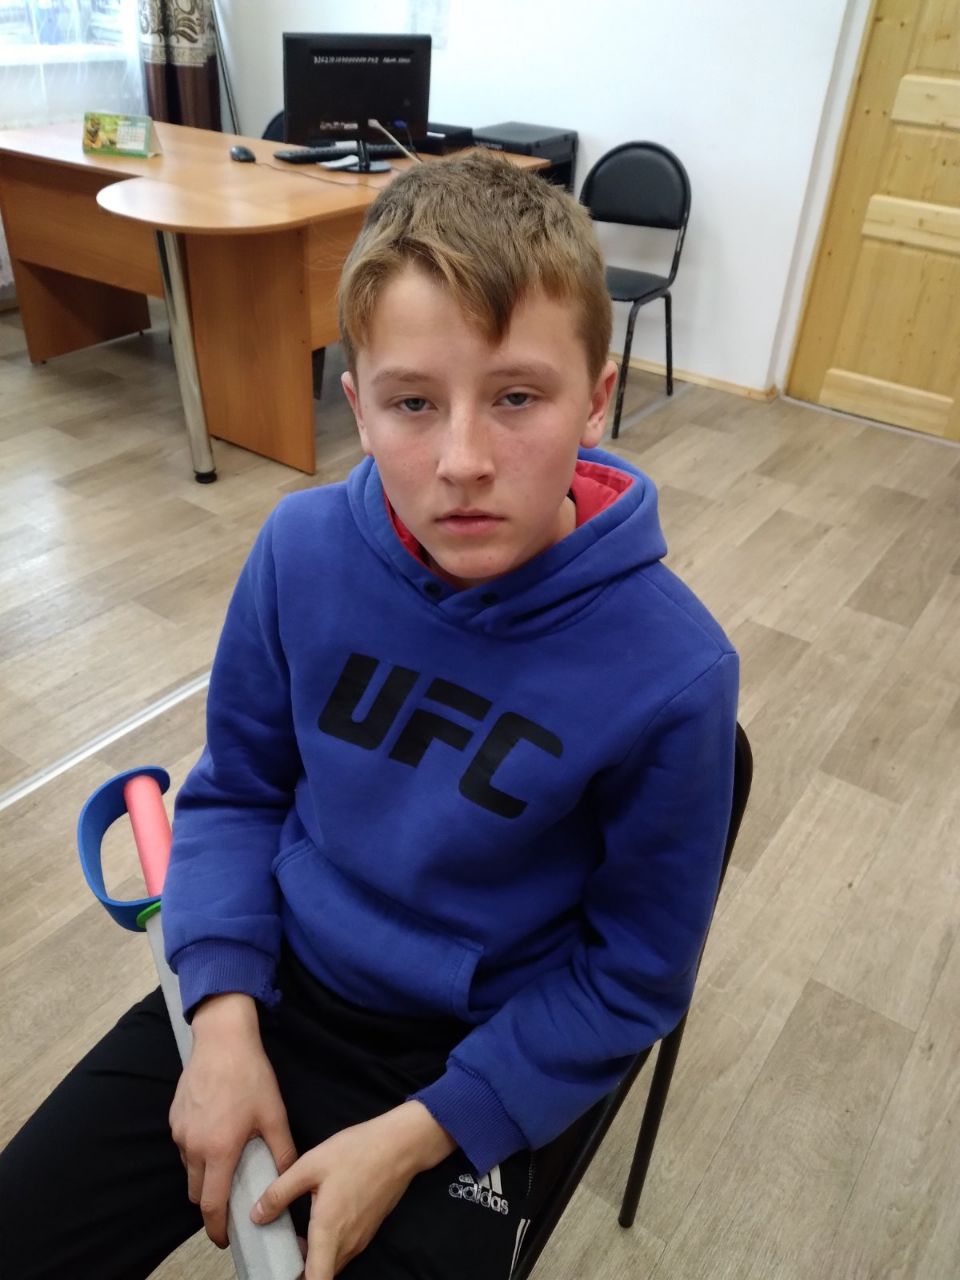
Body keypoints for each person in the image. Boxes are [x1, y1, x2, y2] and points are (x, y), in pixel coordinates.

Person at [0, 151, 738, 1280]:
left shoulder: (676, 673)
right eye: (412, 403)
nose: (463, 461)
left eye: (518, 397)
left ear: (598, 399)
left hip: (468, 1057)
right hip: (269, 974)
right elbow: (237, 793)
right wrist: (223, 1021)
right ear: (356, 403)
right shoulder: (298, 551)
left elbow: (632, 973)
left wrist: (419, 1133)